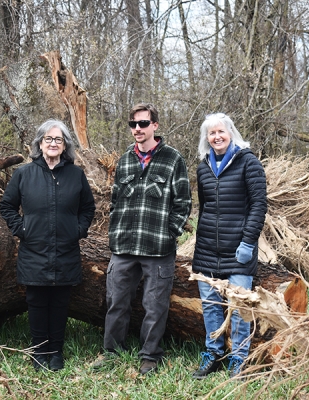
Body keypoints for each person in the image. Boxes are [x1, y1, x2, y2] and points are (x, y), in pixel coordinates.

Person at [91, 103, 192, 375]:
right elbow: (115, 200)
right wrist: (115, 231)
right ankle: (112, 352)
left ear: (155, 126)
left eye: (143, 124)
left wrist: (170, 232)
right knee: (116, 301)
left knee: (155, 306)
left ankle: (150, 356)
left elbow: (183, 202)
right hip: (123, 246)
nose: (138, 129)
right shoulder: (124, 160)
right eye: (133, 124)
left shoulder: (172, 159)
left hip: (158, 248)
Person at [0, 120, 95, 372]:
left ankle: (56, 352)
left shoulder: (76, 174)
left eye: (58, 140)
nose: (53, 144)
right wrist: (21, 229)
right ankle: (39, 351)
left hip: (66, 250)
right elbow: (7, 206)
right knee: (37, 302)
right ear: (39, 144)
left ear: (65, 146)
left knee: (60, 302)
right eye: (48, 139)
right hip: (34, 251)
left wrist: (78, 230)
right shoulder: (23, 174)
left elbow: (88, 208)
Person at [191, 113, 267, 379]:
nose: (217, 137)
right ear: (207, 138)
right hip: (207, 249)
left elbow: (259, 206)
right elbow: (205, 208)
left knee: (239, 307)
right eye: (211, 133)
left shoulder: (249, 163)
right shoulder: (203, 167)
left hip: (239, 249)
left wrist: (248, 242)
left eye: (221, 131)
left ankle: (239, 359)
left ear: (231, 132)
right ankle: (213, 353)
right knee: (210, 305)